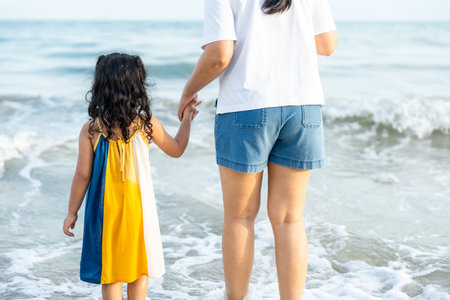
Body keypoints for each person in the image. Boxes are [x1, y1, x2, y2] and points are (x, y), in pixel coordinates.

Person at [178, 0, 338, 299]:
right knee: (290, 219)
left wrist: (188, 90)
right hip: (303, 106)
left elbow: (219, 56)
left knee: (239, 217)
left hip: (247, 105)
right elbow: (327, 45)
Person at [63, 53, 200, 300]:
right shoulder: (146, 124)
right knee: (140, 270)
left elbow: (82, 175)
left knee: (111, 273)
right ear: (137, 87)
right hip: (139, 209)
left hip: (105, 212)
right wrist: (187, 120)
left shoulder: (92, 129)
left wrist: (72, 211)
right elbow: (177, 149)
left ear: (101, 88)